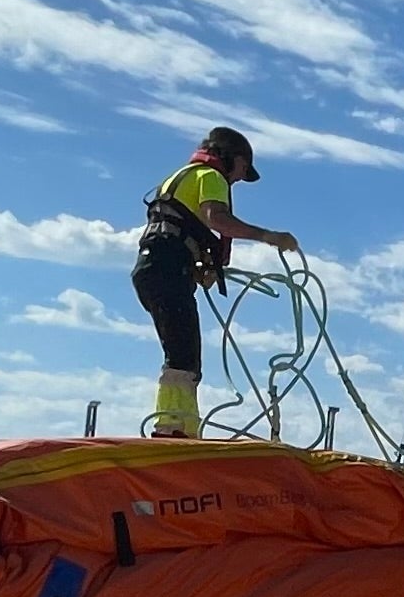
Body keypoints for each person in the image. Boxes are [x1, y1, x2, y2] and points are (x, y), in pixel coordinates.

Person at [129, 126, 301, 438]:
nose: (238, 179)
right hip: (166, 269)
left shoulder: (180, 176)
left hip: (153, 268)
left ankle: (175, 428)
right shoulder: (211, 177)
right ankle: (173, 431)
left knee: (182, 350)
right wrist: (269, 236)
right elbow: (215, 218)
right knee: (183, 355)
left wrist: (195, 267)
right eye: (242, 170)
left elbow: (173, 227)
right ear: (232, 159)